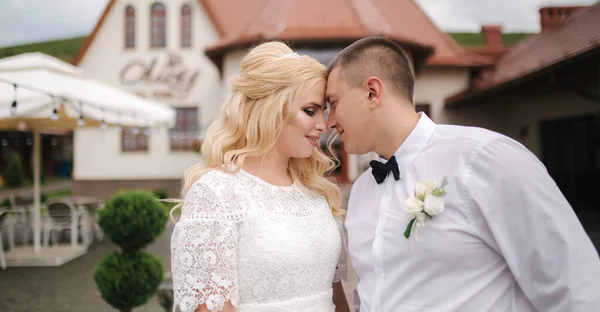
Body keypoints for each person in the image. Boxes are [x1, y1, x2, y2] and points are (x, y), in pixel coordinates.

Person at [325, 36, 600, 311]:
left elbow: (575, 287)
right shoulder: (361, 191)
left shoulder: (486, 159)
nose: (329, 122)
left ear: (372, 92)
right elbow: (369, 295)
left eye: (333, 103)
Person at [171, 41, 350, 312]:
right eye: (310, 111)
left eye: (323, 112)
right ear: (271, 108)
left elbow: (334, 293)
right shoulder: (216, 193)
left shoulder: (316, 192)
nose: (323, 125)